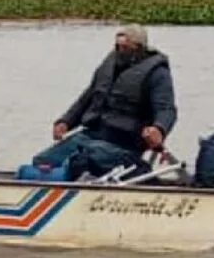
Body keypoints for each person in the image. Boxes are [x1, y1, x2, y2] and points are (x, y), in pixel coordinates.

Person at [31, 24, 178, 181]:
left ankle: (137, 174)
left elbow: (166, 109)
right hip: (91, 134)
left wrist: (158, 129)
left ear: (138, 47)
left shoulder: (157, 73)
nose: (120, 51)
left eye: (125, 47)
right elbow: (87, 99)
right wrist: (66, 122)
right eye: (117, 46)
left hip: (124, 143)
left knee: (82, 160)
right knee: (43, 162)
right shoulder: (109, 64)